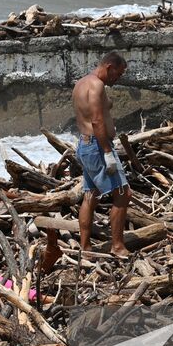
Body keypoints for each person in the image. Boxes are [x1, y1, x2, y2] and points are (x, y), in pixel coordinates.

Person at [71, 51, 131, 258]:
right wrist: (107, 152)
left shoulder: (81, 83)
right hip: (97, 146)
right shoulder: (96, 85)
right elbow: (96, 120)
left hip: (85, 144)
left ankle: (85, 248)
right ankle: (117, 246)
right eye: (118, 73)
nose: (118, 78)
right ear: (109, 67)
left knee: (90, 195)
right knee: (123, 194)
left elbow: (91, 113)